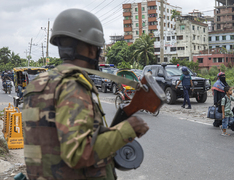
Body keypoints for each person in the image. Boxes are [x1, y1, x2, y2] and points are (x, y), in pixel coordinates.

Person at [22, 9, 149, 180]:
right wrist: (127, 129)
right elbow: (78, 153)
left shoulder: (38, 83)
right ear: (90, 50)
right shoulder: (72, 85)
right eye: (98, 49)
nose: (98, 53)